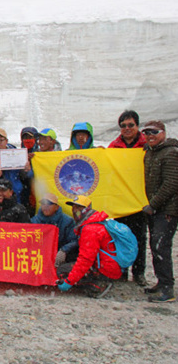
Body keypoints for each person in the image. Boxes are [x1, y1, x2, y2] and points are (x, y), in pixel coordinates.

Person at [108, 110, 148, 285]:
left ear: (137, 126)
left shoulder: (146, 145)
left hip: (140, 199)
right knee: (120, 235)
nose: (127, 128)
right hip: (120, 199)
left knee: (140, 236)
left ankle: (139, 272)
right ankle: (122, 270)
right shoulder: (114, 146)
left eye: (130, 125)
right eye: (123, 126)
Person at [57, 195, 122, 299]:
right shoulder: (92, 222)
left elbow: (86, 259)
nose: (75, 210)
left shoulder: (90, 229)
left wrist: (69, 282)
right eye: (73, 207)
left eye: (79, 207)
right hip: (108, 264)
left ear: (86, 209)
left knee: (61, 272)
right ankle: (99, 279)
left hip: (106, 267)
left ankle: (97, 285)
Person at [141, 120, 178, 302]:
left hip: (167, 210)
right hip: (155, 210)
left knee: (160, 246)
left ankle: (167, 288)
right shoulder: (150, 153)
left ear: (163, 133)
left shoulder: (171, 153)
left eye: (154, 132)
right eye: (147, 133)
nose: (150, 136)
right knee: (155, 246)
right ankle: (161, 282)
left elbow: (171, 183)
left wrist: (153, 204)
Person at [31, 193, 78, 271]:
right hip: (39, 257)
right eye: (43, 203)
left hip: (60, 258)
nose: (46, 206)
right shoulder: (34, 221)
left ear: (57, 207)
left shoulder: (68, 221)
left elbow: (74, 240)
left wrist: (63, 250)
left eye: (49, 204)